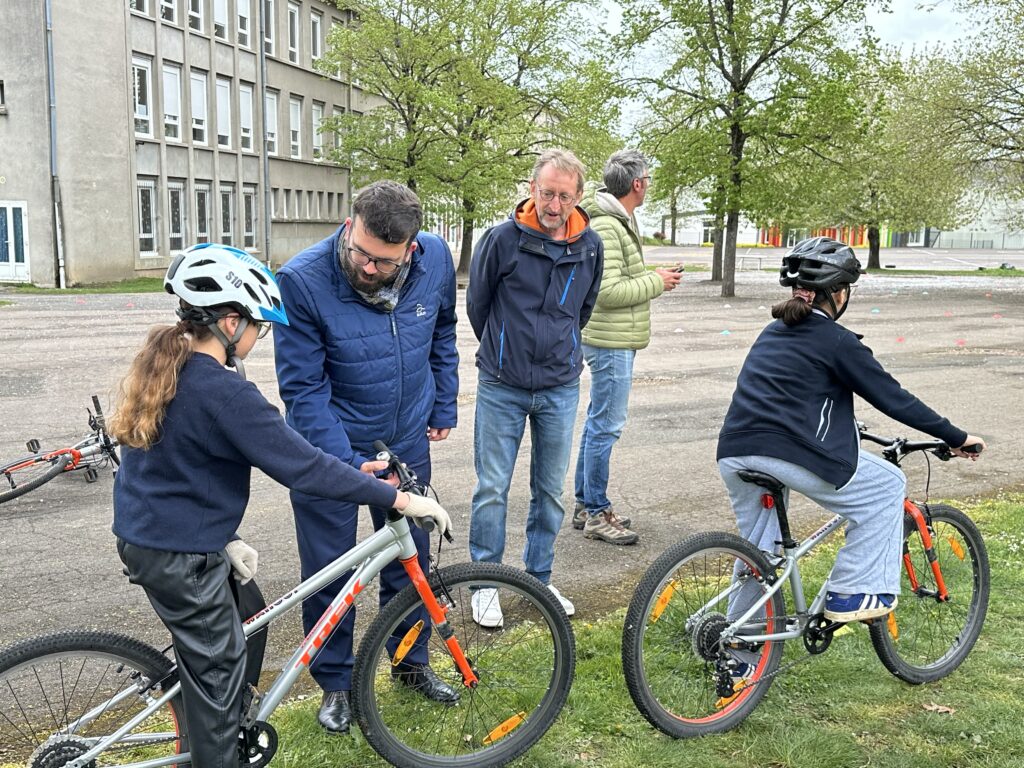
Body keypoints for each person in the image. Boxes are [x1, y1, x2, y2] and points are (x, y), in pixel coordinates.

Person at [110, 244, 450, 768]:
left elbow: (169, 467)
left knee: (252, 617)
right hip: (177, 555)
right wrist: (399, 497)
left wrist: (222, 536)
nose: (258, 336)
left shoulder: (173, 366)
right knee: (219, 679)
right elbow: (303, 467)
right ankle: (218, 738)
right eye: (256, 326)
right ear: (229, 322)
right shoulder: (224, 393)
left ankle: (220, 704)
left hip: (164, 535)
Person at [717, 236, 985, 631]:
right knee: (888, 484)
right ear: (839, 293)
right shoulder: (838, 341)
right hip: (788, 453)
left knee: (764, 547)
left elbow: (789, 394)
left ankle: (739, 641)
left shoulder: (772, 332)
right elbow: (894, 399)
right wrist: (956, 436)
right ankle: (854, 593)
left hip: (736, 450)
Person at [273, 181, 459, 734]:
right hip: (331, 452)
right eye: (360, 251)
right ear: (350, 224)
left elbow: (442, 331)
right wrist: (343, 463)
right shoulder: (302, 280)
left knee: (412, 559)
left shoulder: (437, 259)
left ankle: (410, 662)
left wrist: (442, 400)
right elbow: (303, 390)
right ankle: (335, 683)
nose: (368, 267)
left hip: (404, 440)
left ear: (412, 248)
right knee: (331, 570)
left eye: (383, 260)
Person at [466, 148, 603, 628]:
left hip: (560, 387)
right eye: (547, 193)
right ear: (532, 188)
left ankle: (539, 577)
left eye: (565, 196)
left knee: (549, 491)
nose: (554, 203)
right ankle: (485, 583)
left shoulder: (590, 246)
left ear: (578, 197)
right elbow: (478, 307)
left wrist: (557, 350)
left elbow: (582, 310)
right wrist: (507, 351)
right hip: (502, 384)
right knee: (492, 488)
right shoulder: (501, 240)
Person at [572, 150, 681, 545]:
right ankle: (597, 512)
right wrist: (658, 282)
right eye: (648, 179)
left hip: (613, 339)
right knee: (606, 426)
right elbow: (607, 291)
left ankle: (587, 504)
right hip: (610, 340)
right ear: (637, 184)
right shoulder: (608, 226)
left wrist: (652, 277)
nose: (649, 184)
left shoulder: (618, 220)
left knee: (598, 423)